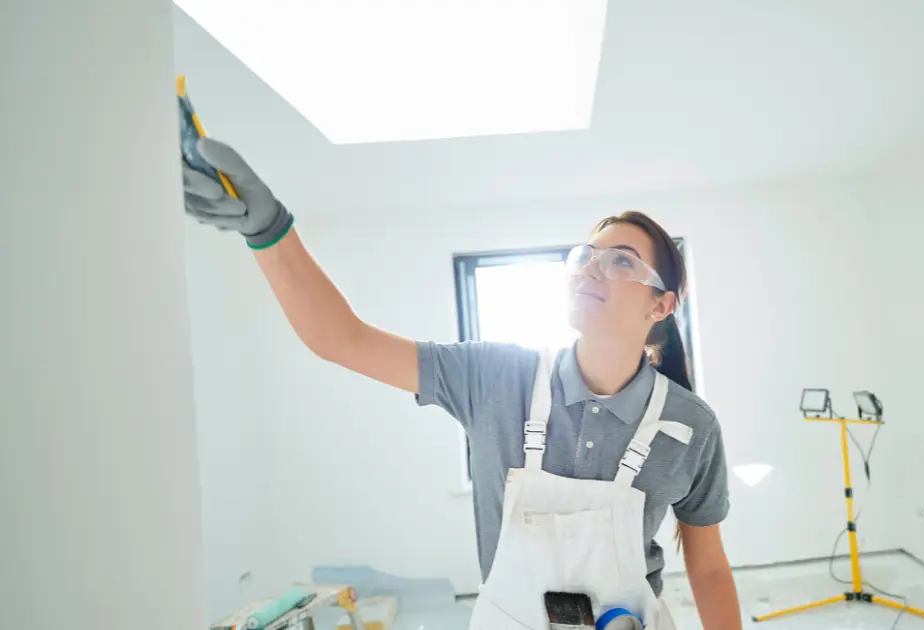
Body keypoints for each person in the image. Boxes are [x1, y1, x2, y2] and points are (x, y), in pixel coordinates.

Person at [181, 139, 743, 629]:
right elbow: (341, 339)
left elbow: (709, 566)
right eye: (585, 256)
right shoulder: (498, 376)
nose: (592, 268)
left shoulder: (690, 426)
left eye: (621, 262)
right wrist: (267, 230)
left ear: (662, 305)